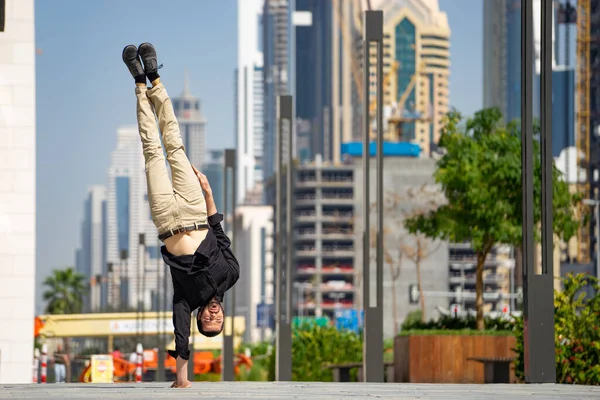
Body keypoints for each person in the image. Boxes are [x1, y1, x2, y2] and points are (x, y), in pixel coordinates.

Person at [122, 43, 240, 389]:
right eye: (218, 321)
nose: (213, 317)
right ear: (222, 316)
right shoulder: (231, 275)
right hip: (193, 209)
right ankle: (156, 77)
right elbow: (220, 234)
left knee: (151, 150)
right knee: (175, 145)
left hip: (165, 219)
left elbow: (181, 334)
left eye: (209, 323)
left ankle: (139, 84)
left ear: (202, 318)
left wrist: (182, 379)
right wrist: (208, 193)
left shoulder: (185, 300)